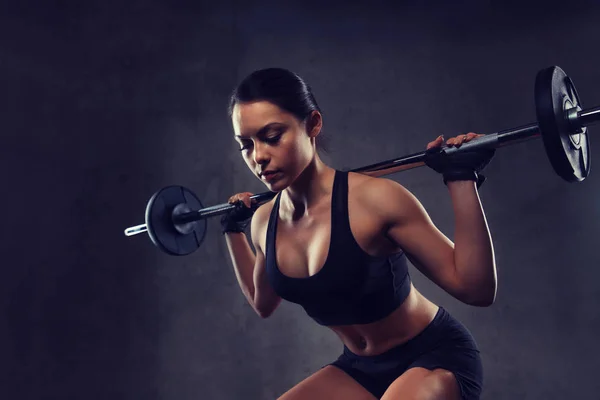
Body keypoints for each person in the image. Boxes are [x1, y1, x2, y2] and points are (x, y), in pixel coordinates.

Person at [221, 68, 497, 400]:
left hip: (432, 357)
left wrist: (461, 177)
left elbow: (476, 288)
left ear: (313, 124)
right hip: (359, 370)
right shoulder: (264, 222)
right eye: (245, 145)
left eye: (272, 136)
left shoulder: (375, 201)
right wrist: (233, 229)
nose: (259, 156)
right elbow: (262, 302)